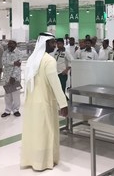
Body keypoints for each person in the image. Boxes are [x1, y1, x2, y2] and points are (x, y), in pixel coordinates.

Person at [21, 32, 68, 171]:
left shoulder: (32, 58)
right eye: (52, 42)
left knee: (34, 131)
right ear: (46, 43)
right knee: (45, 131)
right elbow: (55, 84)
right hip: (44, 102)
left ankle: (32, 159)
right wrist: (63, 103)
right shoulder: (49, 60)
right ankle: (43, 162)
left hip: (31, 103)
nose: (54, 45)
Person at [1, 39, 22, 117]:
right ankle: (7, 111)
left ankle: (16, 110)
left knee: (16, 95)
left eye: (11, 44)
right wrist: (13, 63)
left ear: (15, 45)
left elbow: (17, 67)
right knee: (7, 95)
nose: (9, 45)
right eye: (8, 44)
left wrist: (13, 77)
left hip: (15, 78)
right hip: (6, 77)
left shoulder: (19, 53)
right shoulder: (5, 52)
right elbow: (3, 62)